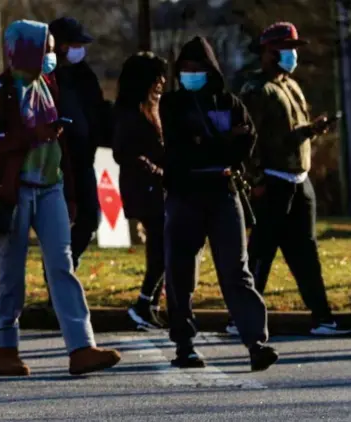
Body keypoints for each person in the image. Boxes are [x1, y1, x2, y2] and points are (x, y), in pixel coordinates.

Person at [0, 19, 120, 376]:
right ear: (25, 50)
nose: (52, 55)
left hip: (51, 187)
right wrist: (30, 135)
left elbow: (60, 143)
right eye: (47, 48)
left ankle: (81, 347)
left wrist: (69, 190)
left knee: (62, 265)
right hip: (15, 192)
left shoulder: (48, 84)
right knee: (11, 272)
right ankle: (6, 348)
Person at [160, 35, 278, 371]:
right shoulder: (173, 104)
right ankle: (184, 344)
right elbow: (180, 148)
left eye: (197, 68)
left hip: (223, 192)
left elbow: (248, 141)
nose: (190, 73)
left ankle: (256, 343)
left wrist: (216, 146)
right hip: (185, 194)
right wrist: (224, 144)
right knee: (180, 271)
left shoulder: (229, 102)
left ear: (211, 70)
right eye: (184, 68)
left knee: (236, 271)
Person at [238, 22, 350, 336]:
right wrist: (255, 179)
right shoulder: (256, 90)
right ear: (265, 53)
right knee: (262, 251)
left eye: (292, 50)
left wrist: (311, 130)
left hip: (299, 181)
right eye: (283, 50)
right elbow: (248, 140)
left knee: (306, 252)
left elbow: (287, 135)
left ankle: (322, 317)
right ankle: (243, 318)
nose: (290, 56)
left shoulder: (290, 86)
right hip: (272, 181)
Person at [48, 17, 109, 270]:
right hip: (57, 164)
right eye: (75, 44)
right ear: (61, 46)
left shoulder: (84, 75)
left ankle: (67, 265)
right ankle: (57, 274)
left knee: (90, 218)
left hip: (84, 159)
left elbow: (98, 110)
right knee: (58, 226)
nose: (80, 50)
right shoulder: (48, 77)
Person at [112, 52, 168, 330]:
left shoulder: (155, 106)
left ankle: (151, 306)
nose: (162, 82)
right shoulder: (129, 111)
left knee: (164, 247)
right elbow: (124, 152)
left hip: (159, 186)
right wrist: (155, 171)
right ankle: (144, 304)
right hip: (144, 188)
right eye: (156, 77)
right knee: (163, 247)